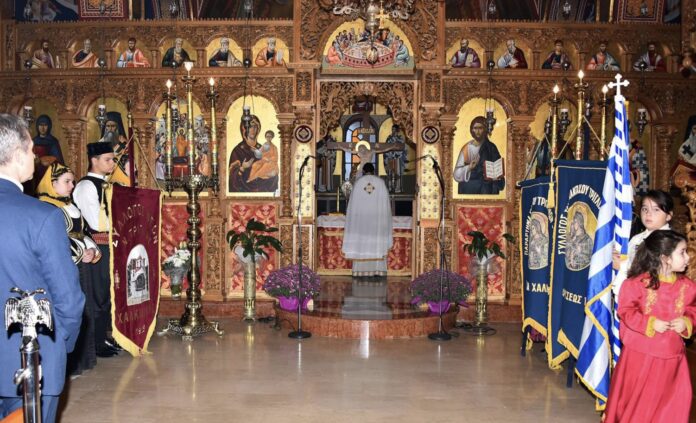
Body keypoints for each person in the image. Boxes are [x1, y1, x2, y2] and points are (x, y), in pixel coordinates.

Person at [0, 113, 84, 422]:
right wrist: (60, 344)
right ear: (17, 154)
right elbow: (69, 298)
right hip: (29, 358)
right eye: (31, 149)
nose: (35, 157)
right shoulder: (42, 217)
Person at [604, 230, 695, 423]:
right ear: (665, 258)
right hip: (640, 359)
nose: (688, 257)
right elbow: (626, 311)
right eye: (682, 252)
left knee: (670, 407)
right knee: (639, 407)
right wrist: (651, 323)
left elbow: (693, 310)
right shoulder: (635, 284)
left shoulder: (688, 287)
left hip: (672, 360)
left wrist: (686, 321)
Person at [37, 162, 99, 377]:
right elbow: (57, 240)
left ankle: (85, 359)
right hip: (63, 266)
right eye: (67, 182)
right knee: (69, 310)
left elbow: (83, 232)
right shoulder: (47, 208)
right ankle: (70, 364)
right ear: (52, 183)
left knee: (84, 309)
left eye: (72, 181)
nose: (72, 186)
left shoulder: (70, 205)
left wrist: (92, 249)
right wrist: (82, 252)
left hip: (81, 264)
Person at [73, 142, 121, 359]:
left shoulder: (106, 184)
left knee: (109, 293)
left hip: (110, 244)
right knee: (98, 295)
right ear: (94, 160)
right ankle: (95, 342)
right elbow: (95, 222)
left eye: (113, 159)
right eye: (108, 159)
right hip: (97, 246)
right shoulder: (86, 186)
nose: (112, 163)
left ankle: (104, 337)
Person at [612, 190, 673, 302]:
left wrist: (622, 266)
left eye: (656, 210)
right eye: (645, 209)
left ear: (669, 215)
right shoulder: (637, 238)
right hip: (632, 293)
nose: (648, 214)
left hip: (654, 299)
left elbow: (653, 273)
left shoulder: (669, 241)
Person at [342, 163, 393, 277]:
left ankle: (359, 271)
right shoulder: (380, 183)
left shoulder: (358, 183)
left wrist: (353, 220)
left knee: (361, 244)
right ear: (373, 171)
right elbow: (386, 205)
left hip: (361, 223)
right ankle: (378, 270)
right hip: (377, 222)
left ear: (364, 171)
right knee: (376, 243)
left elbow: (352, 206)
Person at [228, 108, 278, 192]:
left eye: (255, 126)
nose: (253, 130)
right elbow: (232, 179)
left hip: (263, 191)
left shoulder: (262, 148)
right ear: (244, 129)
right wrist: (242, 168)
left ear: (258, 129)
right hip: (243, 192)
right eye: (250, 127)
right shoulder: (238, 151)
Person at [453, 116, 504, 194]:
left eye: (480, 128)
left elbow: (498, 169)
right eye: (475, 128)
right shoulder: (467, 148)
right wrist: (469, 167)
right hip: (470, 187)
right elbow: (456, 174)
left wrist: (495, 175)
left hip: (486, 188)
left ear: (485, 129)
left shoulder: (491, 147)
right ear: (472, 130)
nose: (477, 131)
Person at [27, 114, 64, 195]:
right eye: (40, 125)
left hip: (48, 172)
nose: (42, 128)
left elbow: (58, 159)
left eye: (45, 125)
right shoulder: (34, 141)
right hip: (36, 172)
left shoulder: (53, 141)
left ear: (49, 126)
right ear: (37, 126)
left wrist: (43, 160)